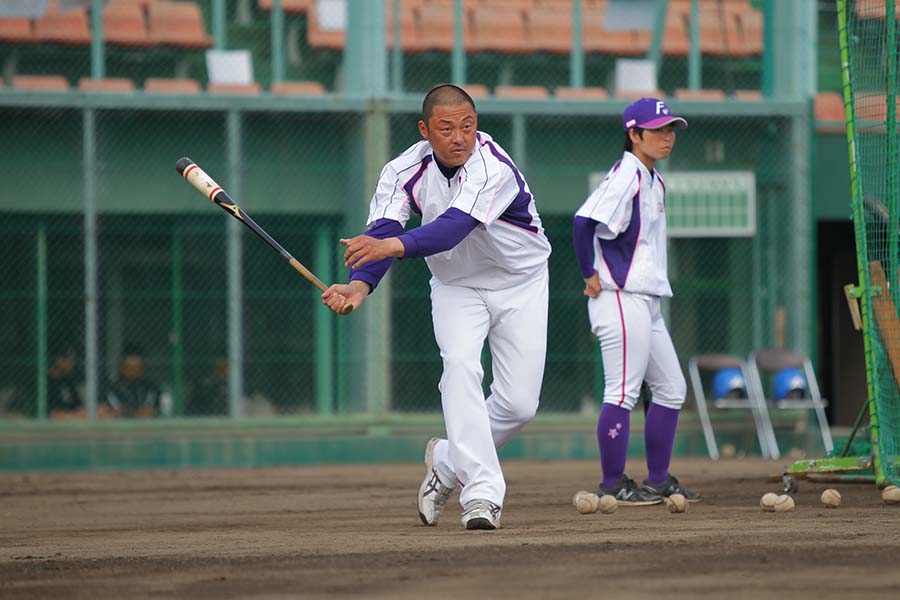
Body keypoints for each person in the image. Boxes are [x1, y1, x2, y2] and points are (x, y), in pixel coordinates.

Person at [321, 84, 552, 530]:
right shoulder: (401, 170)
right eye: (446, 128)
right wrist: (359, 286)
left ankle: (447, 462)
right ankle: (482, 496)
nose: (459, 137)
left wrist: (389, 245)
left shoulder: (492, 167)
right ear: (425, 131)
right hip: (456, 287)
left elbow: (450, 229)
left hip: (520, 283)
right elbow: (385, 225)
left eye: (467, 126)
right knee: (460, 368)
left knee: (520, 405)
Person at [571, 98, 702, 506]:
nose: (667, 137)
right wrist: (588, 274)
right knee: (622, 393)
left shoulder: (651, 178)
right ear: (634, 134)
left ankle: (658, 479)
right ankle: (612, 483)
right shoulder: (628, 174)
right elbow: (582, 222)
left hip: (645, 299)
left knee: (671, 388)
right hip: (620, 297)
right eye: (658, 130)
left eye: (671, 130)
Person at [104, 343, 162, 418]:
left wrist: (130, 412)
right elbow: (114, 411)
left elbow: (152, 410)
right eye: (131, 368)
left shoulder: (150, 387)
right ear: (122, 368)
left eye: (139, 368)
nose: (136, 371)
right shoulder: (112, 388)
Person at [48, 346, 85, 419]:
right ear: (59, 360)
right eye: (71, 360)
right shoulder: (47, 381)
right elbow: (52, 414)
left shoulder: (69, 379)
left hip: (71, 415)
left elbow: (78, 405)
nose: (73, 364)